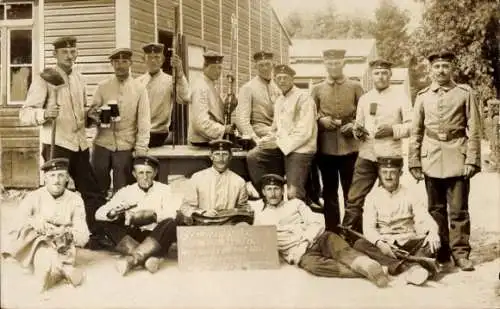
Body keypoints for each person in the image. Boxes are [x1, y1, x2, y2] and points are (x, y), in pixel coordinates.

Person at [19, 36, 106, 238]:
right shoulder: (45, 78)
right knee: (55, 192)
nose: (69, 55)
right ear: (55, 54)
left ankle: (96, 234)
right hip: (56, 144)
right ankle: (49, 236)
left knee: (91, 192)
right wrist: (43, 114)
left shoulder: (79, 78)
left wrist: (91, 117)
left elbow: (80, 114)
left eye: (72, 51)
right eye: (64, 52)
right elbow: (25, 113)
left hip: (79, 144)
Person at [408, 51, 481, 271]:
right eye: (437, 66)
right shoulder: (422, 96)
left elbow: (475, 130)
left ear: (452, 69)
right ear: (430, 70)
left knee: (458, 209)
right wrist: (414, 161)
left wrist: (472, 160)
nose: (441, 70)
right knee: (435, 209)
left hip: (457, 156)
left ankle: (461, 253)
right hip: (431, 157)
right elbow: (416, 131)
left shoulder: (464, 93)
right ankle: (441, 251)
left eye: (445, 66)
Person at [253, 174, 389, 288]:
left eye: (276, 189)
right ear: (264, 192)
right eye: (269, 189)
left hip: (317, 239)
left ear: (282, 191)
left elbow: (317, 222)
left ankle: (366, 264)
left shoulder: (295, 204)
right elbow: (268, 245)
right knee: (315, 266)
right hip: (299, 252)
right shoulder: (261, 218)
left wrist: (306, 239)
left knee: (338, 246)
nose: (273, 193)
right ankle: (372, 270)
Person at [342, 59, 412, 234]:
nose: (380, 77)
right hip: (366, 155)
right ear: (371, 75)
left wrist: (392, 130)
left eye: (384, 73)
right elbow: (359, 124)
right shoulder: (365, 98)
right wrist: (357, 131)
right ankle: (351, 236)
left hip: (390, 156)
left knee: (388, 197)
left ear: (390, 75)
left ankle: (388, 236)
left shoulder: (400, 97)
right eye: (377, 73)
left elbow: (412, 126)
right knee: (354, 198)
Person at [350, 156, 441, 285]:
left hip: (409, 242)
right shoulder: (372, 197)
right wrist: (380, 242)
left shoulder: (410, 194)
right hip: (385, 244)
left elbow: (424, 218)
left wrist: (432, 232)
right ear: (379, 174)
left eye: (393, 172)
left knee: (432, 243)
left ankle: (396, 268)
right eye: (384, 172)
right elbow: (368, 228)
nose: (388, 177)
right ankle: (411, 267)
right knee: (360, 244)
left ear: (400, 173)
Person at [2, 159, 89, 292]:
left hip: (62, 246)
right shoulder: (34, 197)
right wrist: (34, 221)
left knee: (46, 272)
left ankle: (57, 271)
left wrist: (65, 232)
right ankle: (62, 271)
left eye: (61, 175)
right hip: (38, 244)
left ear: (67, 178)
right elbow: (16, 223)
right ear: (45, 179)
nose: (57, 180)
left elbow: (84, 236)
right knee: (42, 257)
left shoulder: (75, 200)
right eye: (52, 176)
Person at [94, 156, 181, 276]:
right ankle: (149, 257)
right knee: (106, 224)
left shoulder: (165, 190)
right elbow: (99, 214)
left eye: (148, 172)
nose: (145, 177)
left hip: (155, 235)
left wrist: (151, 215)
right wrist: (116, 213)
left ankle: (132, 260)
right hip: (133, 235)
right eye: (141, 172)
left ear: (155, 173)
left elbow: (171, 213)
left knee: (171, 223)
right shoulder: (125, 191)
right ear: (134, 174)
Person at [310, 49, 365, 231]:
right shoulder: (317, 89)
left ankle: (355, 233)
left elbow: (363, 114)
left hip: (351, 148)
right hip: (326, 150)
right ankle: (332, 232)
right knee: (329, 192)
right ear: (325, 64)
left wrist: (355, 125)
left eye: (337, 63)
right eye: (330, 63)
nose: (333, 66)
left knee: (352, 193)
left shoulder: (355, 86)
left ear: (344, 63)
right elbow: (309, 115)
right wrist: (320, 120)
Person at [247, 64, 317, 202]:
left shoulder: (303, 98)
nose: (282, 81)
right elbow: (275, 128)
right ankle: (268, 198)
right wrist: (265, 140)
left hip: (300, 150)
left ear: (292, 79)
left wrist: (277, 143)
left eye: (285, 78)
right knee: (254, 156)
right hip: (282, 147)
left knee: (293, 193)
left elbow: (304, 132)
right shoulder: (279, 100)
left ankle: (298, 219)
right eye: (278, 78)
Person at [88, 48, 151, 194]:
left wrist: (141, 148)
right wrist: (94, 116)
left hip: (125, 146)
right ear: (111, 64)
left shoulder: (139, 89)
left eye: (124, 61)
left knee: (123, 190)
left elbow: (144, 121)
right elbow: (91, 114)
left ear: (130, 63)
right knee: (97, 187)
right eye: (116, 62)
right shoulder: (102, 87)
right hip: (101, 145)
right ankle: (98, 215)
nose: (120, 65)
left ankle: (121, 217)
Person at [136, 43, 190, 148]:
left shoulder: (170, 81)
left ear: (163, 60)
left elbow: (185, 98)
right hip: (138, 133)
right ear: (143, 59)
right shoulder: (137, 83)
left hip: (157, 134)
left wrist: (179, 73)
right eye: (149, 57)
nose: (153, 61)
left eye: (157, 57)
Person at [180, 139, 249, 220]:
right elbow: (186, 207)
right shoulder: (197, 178)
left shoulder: (239, 181)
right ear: (211, 156)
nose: (221, 158)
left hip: (229, 224)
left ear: (230, 157)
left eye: (224, 154)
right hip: (203, 222)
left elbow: (243, 209)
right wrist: (203, 213)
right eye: (217, 154)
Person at [233, 50, 281, 144]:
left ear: (273, 65)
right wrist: (255, 140)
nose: (265, 68)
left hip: (277, 131)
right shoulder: (248, 88)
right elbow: (242, 119)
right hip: (259, 133)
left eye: (268, 64)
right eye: (261, 65)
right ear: (255, 67)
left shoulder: (278, 87)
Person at [188, 52, 234, 146]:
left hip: (211, 139)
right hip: (201, 142)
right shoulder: (201, 87)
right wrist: (224, 129)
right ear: (204, 67)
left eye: (220, 67)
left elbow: (216, 113)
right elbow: (200, 123)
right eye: (213, 67)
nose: (218, 71)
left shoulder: (211, 85)